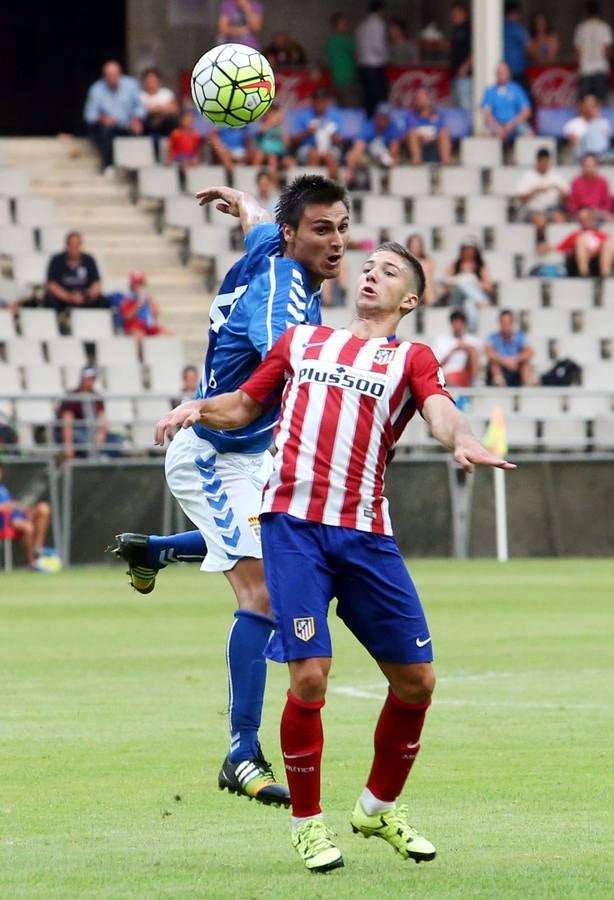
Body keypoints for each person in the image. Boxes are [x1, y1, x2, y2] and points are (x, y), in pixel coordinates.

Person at [154, 242, 515, 874]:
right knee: (310, 675)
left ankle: (378, 808)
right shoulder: (300, 341)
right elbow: (244, 403)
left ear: (411, 299)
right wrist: (196, 407)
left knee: (417, 682)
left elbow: (439, 411)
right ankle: (308, 825)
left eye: (390, 271)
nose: (372, 273)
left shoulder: (412, 357)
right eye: (369, 265)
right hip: (294, 529)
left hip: (367, 536)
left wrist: (466, 441)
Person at [110, 175, 351, 809]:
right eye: (323, 230)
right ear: (296, 235)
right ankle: (241, 752)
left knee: (274, 554)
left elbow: (254, 217)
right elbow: (292, 363)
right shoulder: (281, 289)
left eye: (343, 228)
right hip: (212, 452)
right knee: (265, 592)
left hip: (252, 454)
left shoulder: (271, 242)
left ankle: (156, 552)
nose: (337, 243)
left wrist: (237, 198)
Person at [84, 60, 146, 175]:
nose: (112, 78)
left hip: (128, 125)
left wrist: (136, 119)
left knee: (142, 128)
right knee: (104, 130)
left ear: (120, 74)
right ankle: (108, 165)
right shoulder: (96, 89)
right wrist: (102, 118)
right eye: (109, 76)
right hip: (107, 128)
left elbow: (140, 107)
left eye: (115, 75)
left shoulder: (131, 84)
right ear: (104, 76)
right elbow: (89, 115)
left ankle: (136, 169)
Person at [43, 231, 107, 324]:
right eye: (72, 244)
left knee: (104, 301)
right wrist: (69, 297)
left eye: (77, 244)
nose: (74, 248)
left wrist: (85, 296)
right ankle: (58, 326)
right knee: (49, 300)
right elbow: (51, 285)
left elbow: (97, 284)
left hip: (84, 299)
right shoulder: (56, 260)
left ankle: (98, 326)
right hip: (63, 299)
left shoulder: (89, 260)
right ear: (67, 245)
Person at [0, 463, 51, 570]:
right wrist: (7, 508)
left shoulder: (3, 489)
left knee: (43, 508)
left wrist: (25, 510)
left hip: (17, 517)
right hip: (5, 522)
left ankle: (39, 548)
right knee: (28, 527)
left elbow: (12, 504)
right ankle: (32, 562)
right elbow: (5, 507)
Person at [289, 88, 344, 180]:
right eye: (317, 101)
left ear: (327, 101)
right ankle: (313, 188)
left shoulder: (335, 115)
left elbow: (340, 140)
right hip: (307, 148)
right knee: (315, 154)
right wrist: (307, 132)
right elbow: (294, 139)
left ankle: (334, 187)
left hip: (330, 148)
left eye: (322, 101)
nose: (319, 104)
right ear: (312, 102)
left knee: (330, 156)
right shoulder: (303, 115)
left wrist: (332, 135)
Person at [344, 102, 405, 185]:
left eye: (386, 116)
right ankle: (351, 181)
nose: (383, 119)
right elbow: (359, 146)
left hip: (386, 157)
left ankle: (387, 185)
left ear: (389, 118)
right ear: (376, 116)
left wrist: (388, 158)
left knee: (396, 160)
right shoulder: (369, 126)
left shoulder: (393, 127)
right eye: (381, 116)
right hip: (370, 157)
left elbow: (394, 147)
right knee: (351, 155)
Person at [55, 367, 109, 459]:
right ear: (82, 379)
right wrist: (68, 445)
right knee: (85, 439)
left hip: (91, 432)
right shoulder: (72, 396)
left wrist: (101, 435)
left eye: (93, 378)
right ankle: (99, 455)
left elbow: (103, 419)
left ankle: (99, 454)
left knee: (118, 440)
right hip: (75, 432)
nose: (91, 381)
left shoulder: (96, 396)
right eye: (89, 378)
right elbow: (67, 423)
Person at [445, 239, 493, 333]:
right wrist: (462, 280)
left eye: (470, 249)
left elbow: (488, 287)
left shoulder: (480, 267)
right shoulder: (455, 265)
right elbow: (447, 286)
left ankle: (471, 330)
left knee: (469, 303)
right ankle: (480, 300)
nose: (468, 252)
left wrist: (474, 282)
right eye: (466, 249)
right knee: (461, 282)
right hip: (457, 299)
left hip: (471, 299)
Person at [516, 148, 569, 232]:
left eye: (546, 161)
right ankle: (541, 244)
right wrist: (536, 191)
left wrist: (560, 191)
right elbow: (521, 198)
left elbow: (567, 198)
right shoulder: (528, 176)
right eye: (542, 161)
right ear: (537, 162)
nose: (544, 164)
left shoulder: (556, 177)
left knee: (559, 219)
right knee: (540, 221)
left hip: (551, 210)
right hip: (532, 210)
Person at [481, 62, 531, 142]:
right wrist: (497, 128)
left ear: (509, 74)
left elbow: (526, 111)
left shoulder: (516, 89)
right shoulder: (490, 91)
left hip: (514, 123)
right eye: (499, 73)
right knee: (485, 133)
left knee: (528, 133)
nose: (501, 76)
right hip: (496, 124)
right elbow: (487, 113)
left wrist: (512, 124)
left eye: (503, 73)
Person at [556, 207, 614, 277]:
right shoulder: (574, 235)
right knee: (581, 240)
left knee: (609, 243)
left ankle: (605, 274)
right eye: (581, 219)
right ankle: (584, 274)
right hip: (577, 263)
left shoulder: (602, 235)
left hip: (599, 261)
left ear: (591, 219)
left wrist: (595, 252)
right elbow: (560, 248)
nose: (584, 221)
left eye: (586, 218)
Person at [355, 1, 389, 117]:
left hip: (362, 67)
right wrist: (386, 58)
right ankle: (380, 128)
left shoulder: (362, 25)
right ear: (380, 10)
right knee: (380, 100)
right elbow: (378, 46)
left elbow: (358, 46)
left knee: (367, 100)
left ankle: (368, 126)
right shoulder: (378, 23)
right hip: (374, 67)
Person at [573, 1, 612, 102]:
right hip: (601, 67)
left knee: (585, 102)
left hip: (585, 69)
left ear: (586, 12)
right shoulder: (604, 27)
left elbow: (578, 52)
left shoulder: (580, 28)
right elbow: (607, 50)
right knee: (601, 101)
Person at [431, 309, 481, 387]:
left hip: (465, 374)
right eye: (456, 322)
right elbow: (436, 365)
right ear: (451, 323)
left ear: (464, 324)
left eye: (460, 323)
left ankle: (475, 382)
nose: (458, 326)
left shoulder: (472, 340)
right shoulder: (441, 340)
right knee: (449, 378)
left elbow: (476, 360)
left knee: (472, 349)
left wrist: (465, 348)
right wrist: (453, 350)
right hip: (447, 374)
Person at [486, 309, 533, 386]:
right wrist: (504, 361)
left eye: (507, 323)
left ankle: (527, 387)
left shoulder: (520, 336)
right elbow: (489, 352)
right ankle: (499, 384)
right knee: (493, 363)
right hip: (501, 367)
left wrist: (515, 360)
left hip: (515, 367)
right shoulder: (493, 337)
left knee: (525, 364)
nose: (505, 325)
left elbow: (530, 352)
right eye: (503, 322)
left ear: (512, 323)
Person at [406, 88, 452, 165]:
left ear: (428, 99)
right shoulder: (411, 115)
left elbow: (442, 129)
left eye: (422, 98)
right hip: (419, 141)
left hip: (434, 141)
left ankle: (446, 164)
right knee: (412, 134)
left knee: (444, 133)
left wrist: (430, 136)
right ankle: (417, 163)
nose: (420, 101)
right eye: (418, 98)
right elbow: (411, 130)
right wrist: (424, 136)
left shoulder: (437, 114)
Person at [118, 272, 167, 339]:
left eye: (141, 283)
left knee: (168, 335)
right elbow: (126, 318)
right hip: (134, 326)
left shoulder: (147, 298)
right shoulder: (127, 299)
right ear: (132, 285)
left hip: (148, 326)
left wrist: (151, 301)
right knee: (139, 335)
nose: (139, 286)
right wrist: (138, 304)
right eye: (136, 283)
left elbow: (156, 314)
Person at [563, 95, 612, 161]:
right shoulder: (573, 124)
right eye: (588, 105)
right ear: (582, 106)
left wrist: (597, 122)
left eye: (593, 105)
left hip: (601, 159)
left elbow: (605, 144)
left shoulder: (603, 123)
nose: (590, 108)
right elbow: (574, 146)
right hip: (581, 159)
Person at [325, 12, 359, 108]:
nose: (347, 24)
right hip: (348, 80)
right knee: (353, 109)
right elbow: (357, 57)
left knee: (340, 109)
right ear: (339, 24)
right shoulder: (345, 39)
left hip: (335, 80)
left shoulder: (330, 40)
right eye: (345, 22)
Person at [567, 152, 613, 222]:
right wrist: (581, 211)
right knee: (584, 215)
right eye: (586, 165)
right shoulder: (576, 182)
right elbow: (572, 204)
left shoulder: (603, 182)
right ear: (583, 166)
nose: (589, 168)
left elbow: (607, 203)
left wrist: (599, 211)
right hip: (581, 214)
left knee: (610, 219)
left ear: (596, 166)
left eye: (591, 165)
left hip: (599, 213)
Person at [251, 103, 294, 174]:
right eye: (271, 111)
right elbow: (260, 132)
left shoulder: (283, 125)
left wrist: (283, 126)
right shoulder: (261, 122)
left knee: (284, 161)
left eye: (275, 111)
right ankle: (254, 180)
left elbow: (287, 144)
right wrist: (272, 122)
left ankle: (274, 183)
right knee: (262, 156)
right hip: (264, 151)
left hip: (279, 152)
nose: (273, 114)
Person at [140, 68, 179, 139]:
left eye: (153, 80)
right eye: (149, 81)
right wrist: (163, 108)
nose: (151, 83)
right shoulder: (141, 96)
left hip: (166, 126)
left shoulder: (166, 93)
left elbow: (174, 109)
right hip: (148, 127)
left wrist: (155, 109)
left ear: (158, 81)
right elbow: (143, 111)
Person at [449, 2, 473, 115]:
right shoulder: (456, 30)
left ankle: (468, 130)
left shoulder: (469, 29)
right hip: (455, 74)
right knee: (457, 106)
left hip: (465, 75)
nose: (454, 16)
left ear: (464, 14)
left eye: (457, 13)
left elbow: (476, 51)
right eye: (453, 13)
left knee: (465, 106)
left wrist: (466, 66)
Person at [503, 1, 530, 96]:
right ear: (514, 13)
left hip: (504, 70)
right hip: (517, 71)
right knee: (524, 99)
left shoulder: (499, 27)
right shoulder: (516, 28)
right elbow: (529, 47)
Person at [405, 233, 436, 305]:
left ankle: (429, 300)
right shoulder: (404, 262)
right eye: (413, 246)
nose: (415, 248)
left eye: (417, 246)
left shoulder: (428, 261)